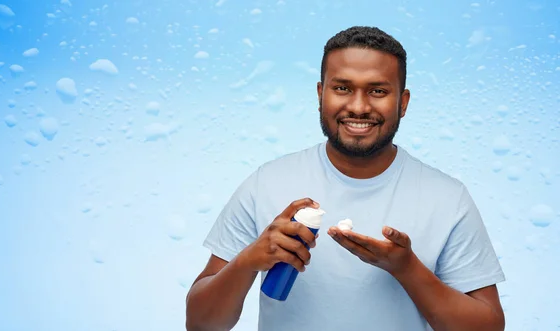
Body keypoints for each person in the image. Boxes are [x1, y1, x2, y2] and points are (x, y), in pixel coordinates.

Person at [185, 26, 506, 331]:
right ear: (321, 93)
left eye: (378, 91)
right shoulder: (266, 183)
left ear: (403, 103)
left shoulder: (447, 198)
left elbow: (488, 327)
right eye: (342, 88)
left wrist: (407, 268)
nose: (358, 106)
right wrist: (246, 262)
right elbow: (201, 324)